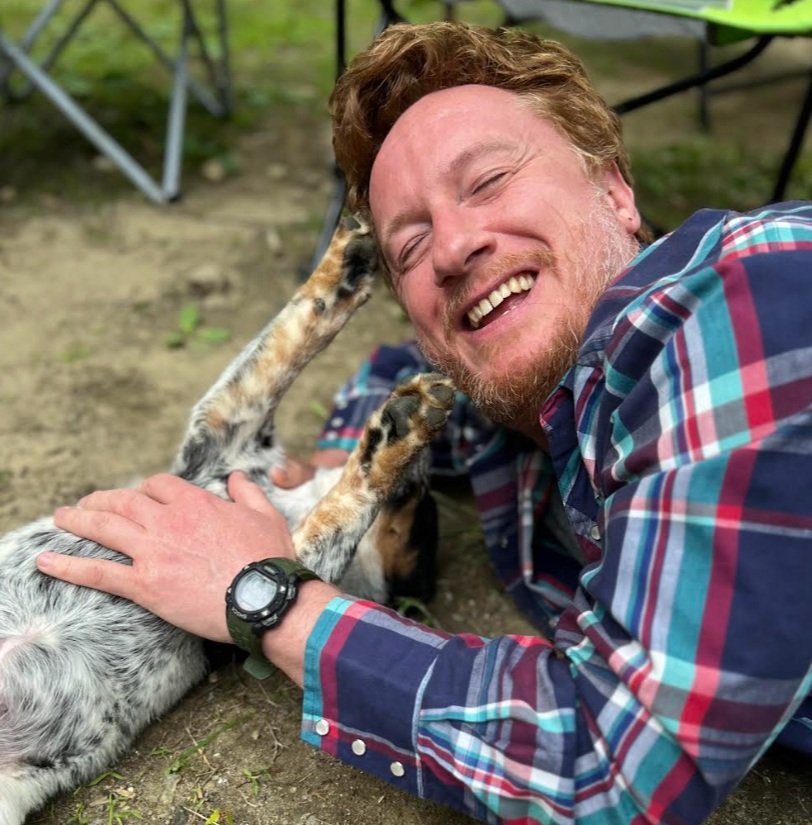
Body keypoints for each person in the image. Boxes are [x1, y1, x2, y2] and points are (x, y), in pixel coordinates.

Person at [37, 22, 811, 825]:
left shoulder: (747, 296)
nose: (451, 248)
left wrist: (267, 596)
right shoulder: (531, 409)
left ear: (615, 189)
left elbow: (611, 767)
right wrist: (341, 459)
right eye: (408, 246)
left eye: (488, 182)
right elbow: (394, 378)